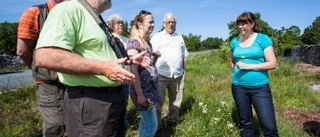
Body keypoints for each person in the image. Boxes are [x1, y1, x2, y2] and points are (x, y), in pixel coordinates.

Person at [34, 0, 151, 136]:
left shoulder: (94, 16)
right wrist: (103, 68)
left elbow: (97, 53)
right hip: (91, 102)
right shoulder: (68, 9)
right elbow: (45, 56)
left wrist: (129, 61)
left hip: (110, 101)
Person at [16, 0, 67, 136]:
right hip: (50, 85)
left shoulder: (74, 12)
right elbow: (23, 51)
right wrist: (41, 70)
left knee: (77, 124)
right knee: (55, 128)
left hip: (75, 81)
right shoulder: (34, 13)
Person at [229, 12, 279, 137]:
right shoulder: (234, 42)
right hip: (238, 87)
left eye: (244, 24)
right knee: (245, 123)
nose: (241, 27)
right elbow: (232, 62)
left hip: (260, 88)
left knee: (269, 126)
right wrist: (236, 74)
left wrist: (249, 67)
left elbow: (272, 63)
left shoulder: (263, 39)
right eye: (239, 24)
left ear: (252, 24)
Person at [150, 13, 188, 128]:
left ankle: (172, 120)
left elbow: (184, 55)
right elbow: (149, 54)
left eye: (173, 22)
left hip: (177, 75)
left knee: (176, 101)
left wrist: (184, 71)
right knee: (158, 101)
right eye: (169, 22)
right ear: (164, 23)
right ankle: (157, 124)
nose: (171, 24)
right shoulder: (157, 37)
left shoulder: (179, 37)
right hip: (161, 74)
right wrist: (153, 54)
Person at [126, 10, 160, 137]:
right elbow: (133, 70)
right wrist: (140, 95)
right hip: (143, 92)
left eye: (153, 22)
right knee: (152, 125)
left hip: (150, 90)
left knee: (146, 123)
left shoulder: (147, 43)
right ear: (140, 24)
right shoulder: (134, 43)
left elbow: (147, 66)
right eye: (150, 22)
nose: (152, 25)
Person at [106, 13, 130, 130]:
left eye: (121, 23)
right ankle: (118, 125)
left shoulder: (126, 39)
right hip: (115, 75)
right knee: (115, 102)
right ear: (111, 25)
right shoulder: (109, 37)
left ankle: (123, 124)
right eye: (118, 23)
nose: (121, 25)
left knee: (124, 101)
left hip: (127, 75)